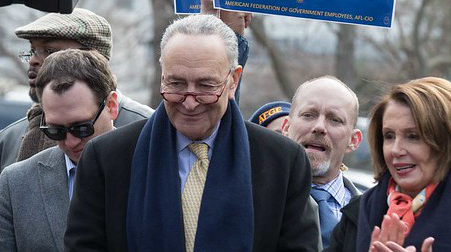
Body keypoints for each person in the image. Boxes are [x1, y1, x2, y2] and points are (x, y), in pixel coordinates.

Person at [64, 15, 319, 251]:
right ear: (162, 77)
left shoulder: (282, 161)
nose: (189, 101)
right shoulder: (108, 158)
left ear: (234, 81)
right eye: (176, 84)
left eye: (206, 86)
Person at [327, 77, 451, 252]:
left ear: (448, 144)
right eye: (389, 136)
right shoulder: (357, 212)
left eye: (413, 136)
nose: (396, 149)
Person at [0, 8, 154, 197]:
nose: (33, 60)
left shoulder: (146, 128)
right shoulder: (8, 140)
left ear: (93, 59)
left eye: (49, 51)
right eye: (33, 50)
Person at [0, 50, 119, 251]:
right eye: (56, 130)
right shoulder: (15, 184)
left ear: (111, 106)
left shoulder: (152, 167)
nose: (71, 141)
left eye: (82, 127)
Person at [282, 76, 363, 248]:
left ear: (354, 140)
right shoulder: (255, 200)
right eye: (308, 115)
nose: (319, 127)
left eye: (335, 119)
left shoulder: (373, 216)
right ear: (286, 128)